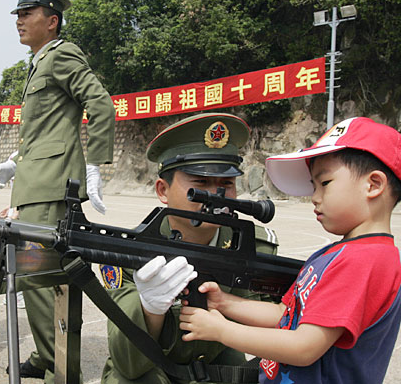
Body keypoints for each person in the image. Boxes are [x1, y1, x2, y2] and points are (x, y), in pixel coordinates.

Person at [179, 117, 401, 384]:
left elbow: (304, 347)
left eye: (325, 183)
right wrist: (225, 303)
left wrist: (221, 330)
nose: (315, 197)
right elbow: (286, 316)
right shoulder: (340, 253)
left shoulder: (363, 260)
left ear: (373, 185)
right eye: (313, 186)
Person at [101, 113, 279, 383]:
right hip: (151, 372)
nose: (216, 197)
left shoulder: (254, 248)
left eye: (226, 184)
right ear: (163, 190)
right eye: (201, 184)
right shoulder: (130, 254)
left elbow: (286, 331)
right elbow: (128, 364)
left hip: (218, 369)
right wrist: (149, 310)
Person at [8, 0, 116, 380]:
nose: (19, 21)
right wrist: (13, 163)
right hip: (36, 180)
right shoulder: (39, 61)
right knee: (37, 279)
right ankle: (46, 355)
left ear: (52, 21)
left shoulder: (61, 55)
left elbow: (100, 104)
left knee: (42, 280)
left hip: (51, 185)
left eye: (27, 14)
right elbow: (44, 129)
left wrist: (95, 164)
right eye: (18, 15)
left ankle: (60, 368)